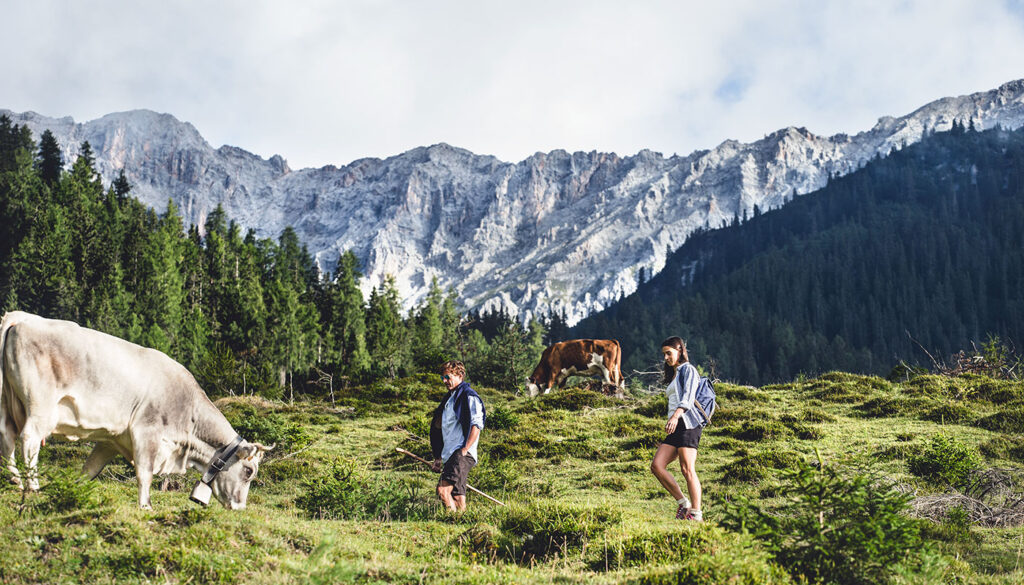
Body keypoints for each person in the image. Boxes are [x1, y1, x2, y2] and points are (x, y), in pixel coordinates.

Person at [650, 336, 704, 521]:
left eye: (669, 353)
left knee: (687, 468)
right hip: (675, 424)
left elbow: (688, 397)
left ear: (680, 350)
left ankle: (696, 514)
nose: (665, 357)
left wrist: (674, 416)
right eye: (664, 354)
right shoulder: (675, 373)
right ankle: (683, 503)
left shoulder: (688, 369)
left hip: (687, 423)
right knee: (657, 466)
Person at [429, 360, 485, 512]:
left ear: (460, 375)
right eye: (443, 378)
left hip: (461, 453)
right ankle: (463, 522)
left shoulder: (469, 396)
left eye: (448, 377)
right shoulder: (449, 400)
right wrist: (439, 457)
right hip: (450, 454)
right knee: (458, 496)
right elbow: (438, 428)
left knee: (442, 490)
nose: (445, 381)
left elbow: (476, 425)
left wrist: (465, 449)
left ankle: (451, 520)